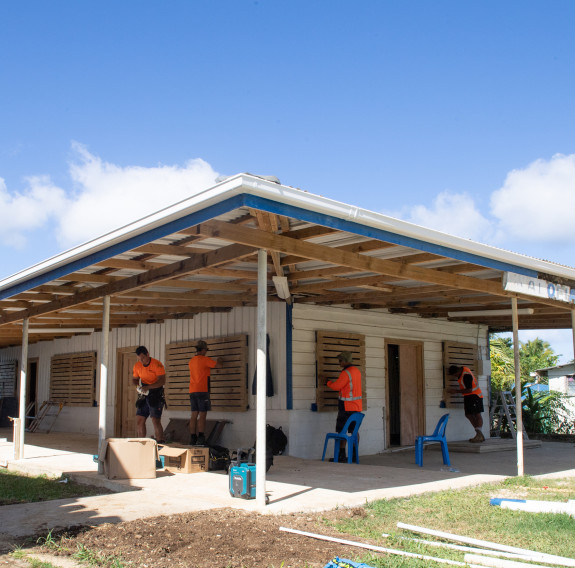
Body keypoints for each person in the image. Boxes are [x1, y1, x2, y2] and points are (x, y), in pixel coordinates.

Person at [326, 351, 363, 462]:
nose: (339, 363)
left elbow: (337, 386)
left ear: (345, 360)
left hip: (346, 407)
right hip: (357, 407)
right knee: (354, 431)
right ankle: (354, 456)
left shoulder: (346, 372)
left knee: (342, 431)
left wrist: (328, 382)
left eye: (340, 360)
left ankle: (341, 456)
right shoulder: (356, 371)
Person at [188, 340, 222, 445]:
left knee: (194, 414)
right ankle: (201, 437)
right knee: (203, 414)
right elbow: (218, 365)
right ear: (203, 350)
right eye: (206, 350)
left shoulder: (191, 361)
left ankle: (193, 437)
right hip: (203, 390)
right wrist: (220, 360)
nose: (206, 352)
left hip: (192, 390)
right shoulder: (205, 360)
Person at [132, 346, 166, 443]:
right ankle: (141, 443)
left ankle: (160, 442)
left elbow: (162, 381)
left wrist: (148, 387)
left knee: (155, 420)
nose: (141, 361)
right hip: (144, 393)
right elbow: (134, 379)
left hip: (156, 393)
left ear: (148, 354)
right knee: (139, 419)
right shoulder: (137, 366)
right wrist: (137, 386)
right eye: (139, 359)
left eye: (143, 358)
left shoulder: (157, 364)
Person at [447, 364, 485, 443]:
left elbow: (469, 390)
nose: (455, 376)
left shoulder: (466, 376)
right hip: (468, 397)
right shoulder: (462, 372)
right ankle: (479, 434)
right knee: (468, 414)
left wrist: (455, 391)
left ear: (457, 371)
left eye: (455, 375)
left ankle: (479, 434)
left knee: (477, 414)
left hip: (475, 396)